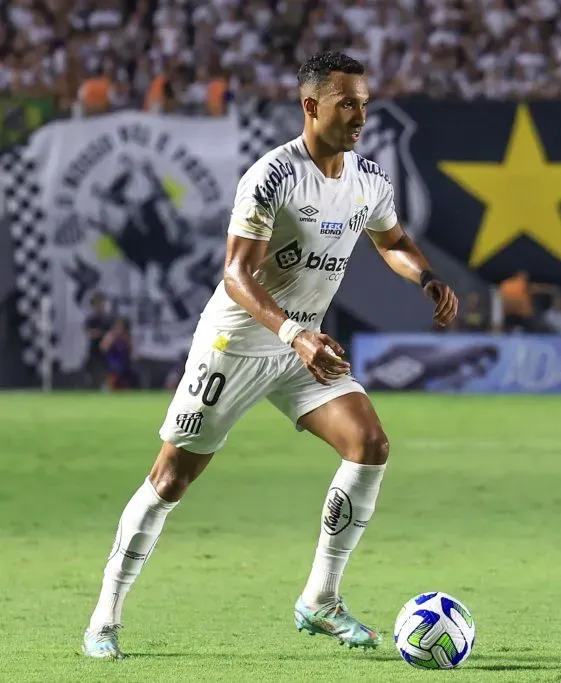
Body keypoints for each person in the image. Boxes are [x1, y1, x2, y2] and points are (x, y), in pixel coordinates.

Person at [81, 51, 458, 660]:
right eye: (347, 104)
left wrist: (427, 278)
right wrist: (295, 334)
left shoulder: (368, 180)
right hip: (238, 343)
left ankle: (320, 599)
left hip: (301, 346)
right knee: (172, 477)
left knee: (370, 444)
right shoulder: (273, 177)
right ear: (311, 107)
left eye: (363, 101)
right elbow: (235, 275)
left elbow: (394, 241)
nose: (360, 114)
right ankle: (105, 617)